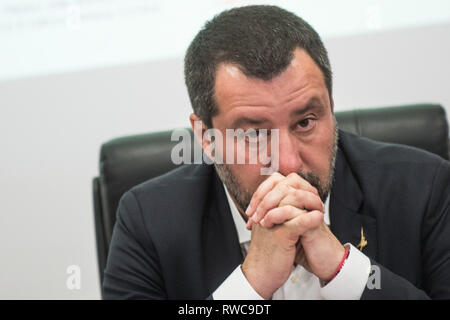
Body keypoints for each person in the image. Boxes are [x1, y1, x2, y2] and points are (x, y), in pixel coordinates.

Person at [102, 5, 450, 299]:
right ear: (206, 137)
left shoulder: (423, 189)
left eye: (305, 122)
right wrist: (252, 283)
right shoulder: (148, 221)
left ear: (331, 107)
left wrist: (343, 270)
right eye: (254, 135)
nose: (286, 163)